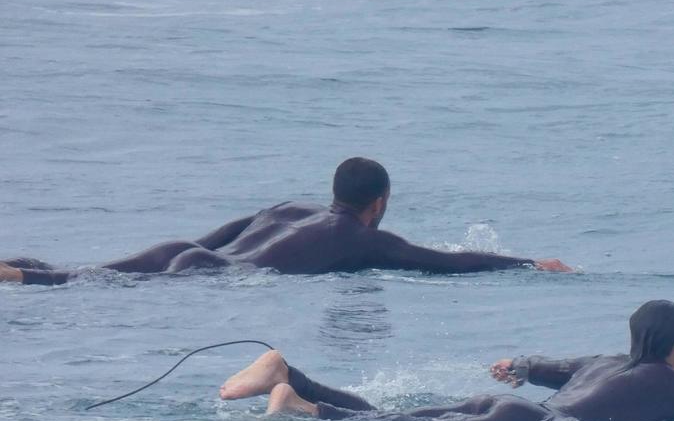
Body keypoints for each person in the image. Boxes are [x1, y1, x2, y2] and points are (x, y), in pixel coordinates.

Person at [1, 157, 571, 286]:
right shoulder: (364, 239)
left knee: (74, 275)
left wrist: (193, 249)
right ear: (380, 202)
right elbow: (446, 263)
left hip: (183, 250)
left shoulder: (289, 209)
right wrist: (527, 262)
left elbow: (226, 232)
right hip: (207, 276)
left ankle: (18, 269)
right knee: (78, 285)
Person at [218, 300, 674, 421]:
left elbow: (546, 366)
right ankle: (301, 409)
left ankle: (288, 374)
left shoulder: (607, 361)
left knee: (385, 418)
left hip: (506, 404)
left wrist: (518, 364)